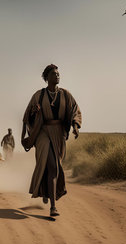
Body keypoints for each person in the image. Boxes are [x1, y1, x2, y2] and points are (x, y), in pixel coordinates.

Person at [21, 64, 82, 216]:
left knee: (53, 166)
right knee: (53, 167)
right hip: (42, 132)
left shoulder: (65, 95)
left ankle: (47, 192)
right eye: (54, 74)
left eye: (58, 73)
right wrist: (35, 113)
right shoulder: (39, 95)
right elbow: (27, 116)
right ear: (46, 77)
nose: (57, 76)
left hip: (58, 133)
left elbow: (74, 110)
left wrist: (75, 125)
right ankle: (53, 207)